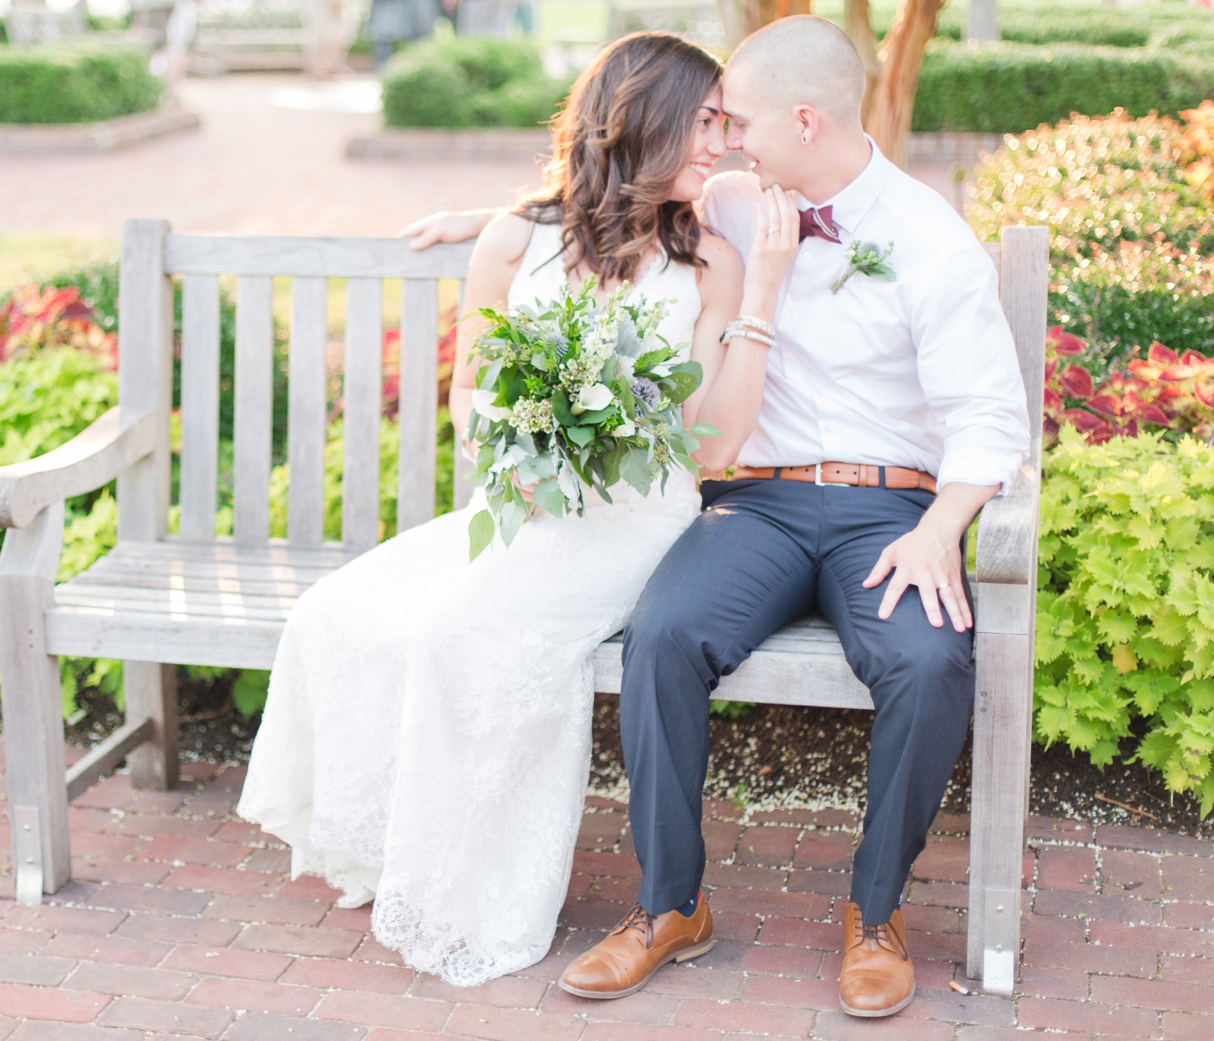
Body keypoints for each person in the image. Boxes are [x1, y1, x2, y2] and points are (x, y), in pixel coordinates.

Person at [400, 15, 1030, 1016]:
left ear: (805, 121)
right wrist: (491, 217)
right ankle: (668, 906)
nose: (726, 140)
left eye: (737, 121)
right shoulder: (737, 198)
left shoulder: (927, 238)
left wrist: (939, 529)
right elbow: (624, 190)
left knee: (928, 658)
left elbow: (992, 417)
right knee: (665, 634)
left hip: (890, 509)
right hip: (758, 504)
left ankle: (876, 913)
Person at [237, 31, 798, 987]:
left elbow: (715, 447)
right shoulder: (514, 239)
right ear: (641, 117)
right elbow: (471, 383)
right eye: (705, 121)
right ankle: (395, 849)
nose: (723, 144)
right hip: (529, 506)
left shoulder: (710, 258)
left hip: (636, 522)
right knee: (340, 613)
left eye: (724, 124)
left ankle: (473, 888)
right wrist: (505, 443)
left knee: (459, 630)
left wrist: (763, 302)